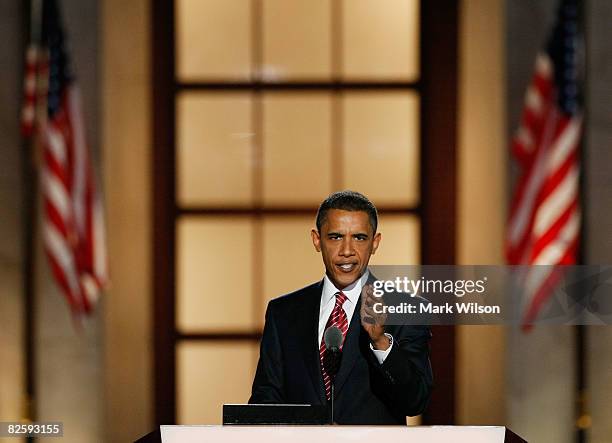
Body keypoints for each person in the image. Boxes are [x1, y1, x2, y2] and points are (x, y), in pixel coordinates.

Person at [249, 190, 433, 424]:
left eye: (359, 238)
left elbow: (415, 401)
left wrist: (381, 342)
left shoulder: (407, 310)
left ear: (375, 243)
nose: (347, 251)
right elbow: (265, 402)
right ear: (317, 240)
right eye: (335, 237)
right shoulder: (283, 313)